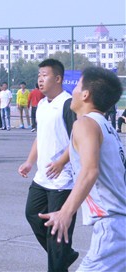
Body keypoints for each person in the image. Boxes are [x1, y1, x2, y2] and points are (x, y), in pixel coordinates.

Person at [39, 67, 125, 271]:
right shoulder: (106, 127)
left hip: (111, 227)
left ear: (85, 94)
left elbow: (90, 171)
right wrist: (61, 161)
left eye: (77, 85)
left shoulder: (84, 124)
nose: (73, 90)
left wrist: (65, 212)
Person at [18, 59, 79, 272]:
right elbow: (40, 136)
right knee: (32, 214)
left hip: (63, 179)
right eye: (39, 76)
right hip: (42, 177)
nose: (40, 80)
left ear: (58, 78)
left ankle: (59, 261)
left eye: (45, 75)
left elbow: (78, 139)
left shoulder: (68, 104)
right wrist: (29, 161)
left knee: (58, 233)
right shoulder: (43, 104)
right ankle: (64, 255)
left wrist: (62, 162)